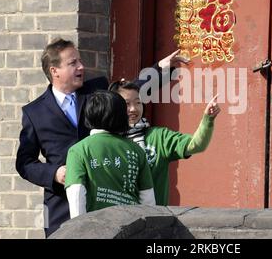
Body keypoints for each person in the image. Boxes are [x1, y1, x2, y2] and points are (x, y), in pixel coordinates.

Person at [15, 38, 186, 237]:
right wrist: (54, 173)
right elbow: (25, 163)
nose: (81, 66)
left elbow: (128, 93)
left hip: (108, 196)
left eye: (79, 60)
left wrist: (160, 69)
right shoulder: (34, 112)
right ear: (55, 71)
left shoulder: (96, 91)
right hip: (62, 207)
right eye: (73, 63)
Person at [108, 80, 221, 206]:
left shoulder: (158, 136)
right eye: (127, 104)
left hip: (154, 219)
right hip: (117, 218)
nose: (134, 109)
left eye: (138, 102)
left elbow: (195, 145)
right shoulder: (106, 141)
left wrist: (208, 120)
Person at [65, 90, 155, 219]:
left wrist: (78, 228)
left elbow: (76, 193)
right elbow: (148, 198)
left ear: (89, 115)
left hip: (94, 228)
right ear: (122, 117)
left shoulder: (78, 150)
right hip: (132, 227)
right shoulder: (136, 150)